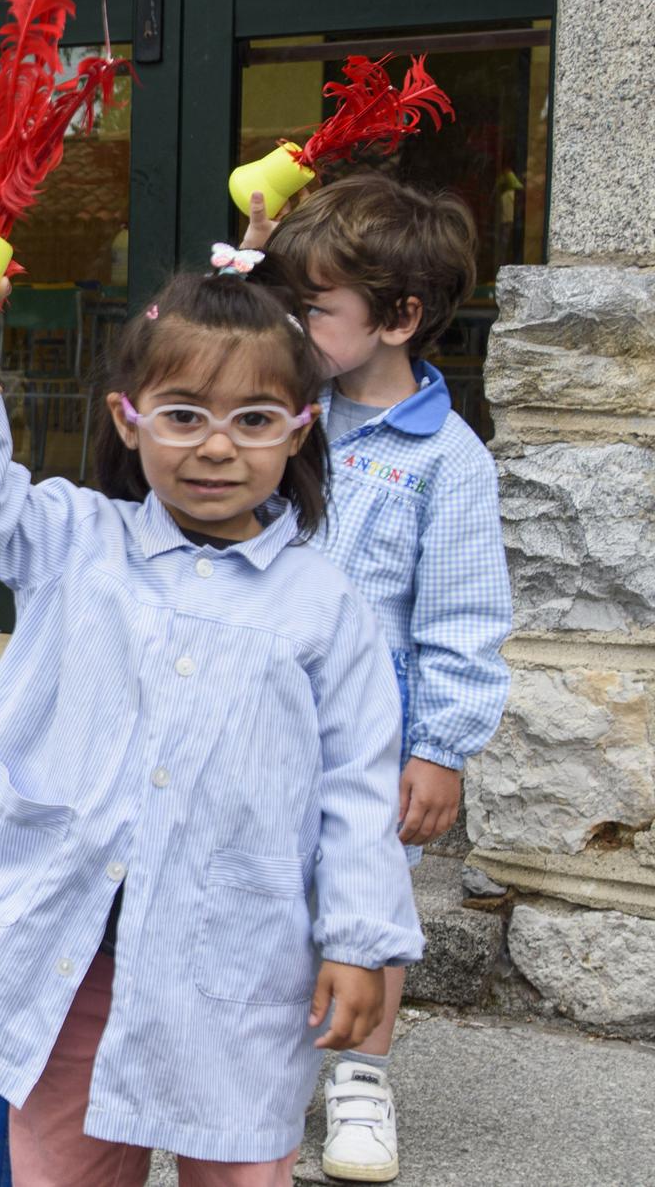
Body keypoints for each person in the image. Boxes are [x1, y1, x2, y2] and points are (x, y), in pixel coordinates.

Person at [0, 249, 423, 1187]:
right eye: (183, 416)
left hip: (236, 965)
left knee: (240, 1162)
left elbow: (358, 785)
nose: (216, 447)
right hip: (72, 953)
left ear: (301, 429)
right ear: (129, 422)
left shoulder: (325, 605)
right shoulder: (75, 539)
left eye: (253, 421)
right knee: (62, 1164)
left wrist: (361, 941)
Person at [246, 179, 511, 1183]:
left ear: (398, 317)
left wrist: (439, 746)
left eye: (312, 308)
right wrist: (252, 248)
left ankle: (357, 1076)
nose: (291, 323)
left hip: (365, 740)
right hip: (251, 715)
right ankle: (246, 1054)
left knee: (365, 902)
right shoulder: (278, 413)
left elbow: (461, 616)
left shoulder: (446, 459)